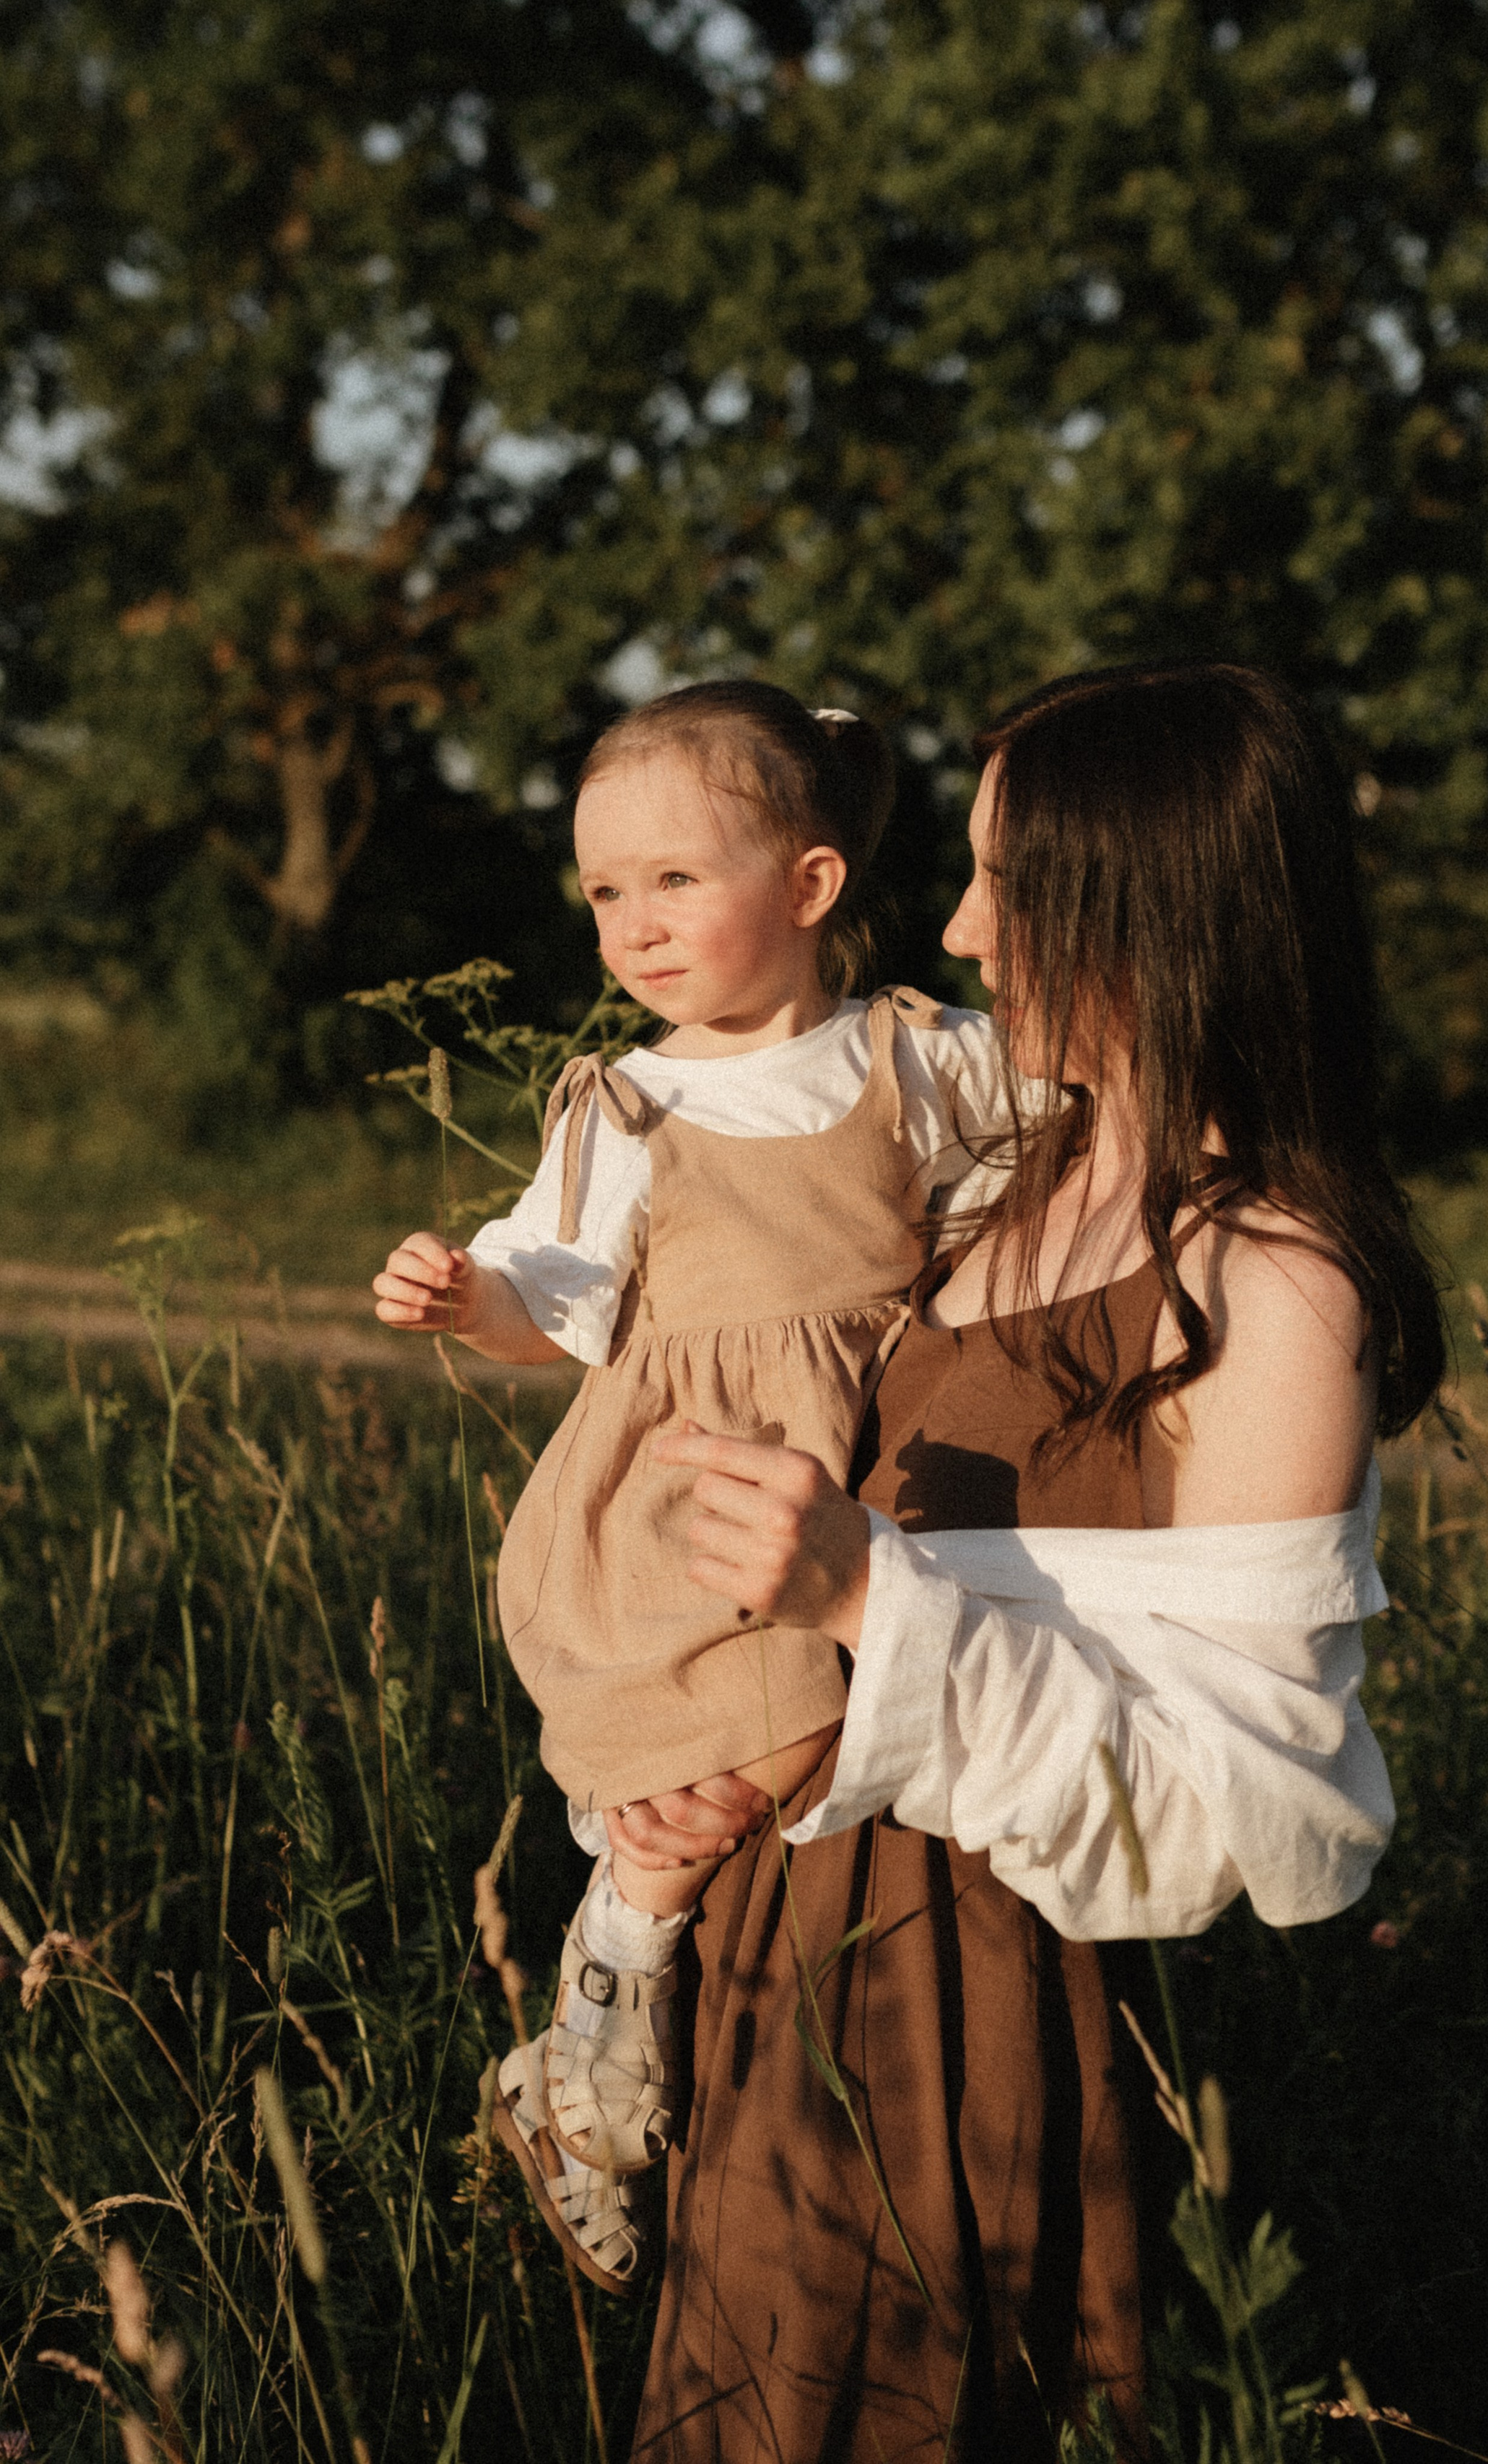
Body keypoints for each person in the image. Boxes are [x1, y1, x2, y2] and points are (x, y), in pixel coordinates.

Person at [616, 660, 1448, 2460]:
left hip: (1002, 2007)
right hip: (798, 1943)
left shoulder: (1267, 1279)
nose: (967, 925)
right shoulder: (1002, 1174)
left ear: (1148, 904)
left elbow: (1257, 1801)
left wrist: (862, 1594)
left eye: (1012, 879)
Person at [371, 683, 1014, 2287]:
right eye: (603, 892)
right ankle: (597, 2030)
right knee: (753, 1746)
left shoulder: (912, 1058)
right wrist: (472, 1301)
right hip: (691, 1495)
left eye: (674, 881)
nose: (633, 926)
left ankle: (588, 2045)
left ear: (807, 887)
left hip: (867, 1474)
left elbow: (1062, 1149)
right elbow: (555, 1290)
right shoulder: (629, 1105)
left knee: (804, 1730)